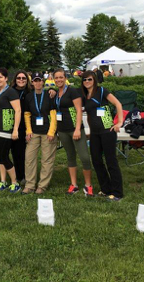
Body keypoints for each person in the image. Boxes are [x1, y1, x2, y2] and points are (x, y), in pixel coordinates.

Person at [81, 72, 124, 201]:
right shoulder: (85, 95)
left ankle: (117, 193)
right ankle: (105, 189)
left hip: (107, 130)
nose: (87, 81)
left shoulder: (101, 91)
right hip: (95, 133)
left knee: (111, 161)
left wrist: (119, 122)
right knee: (96, 161)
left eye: (89, 79)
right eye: (84, 79)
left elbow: (118, 104)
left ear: (94, 80)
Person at [53, 68, 93, 196]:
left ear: (65, 78)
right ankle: (74, 185)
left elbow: (79, 110)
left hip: (75, 130)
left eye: (61, 77)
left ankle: (88, 185)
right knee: (70, 156)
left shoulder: (72, 91)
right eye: (56, 78)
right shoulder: (55, 93)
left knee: (84, 157)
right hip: (62, 130)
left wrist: (77, 129)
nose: (59, 80)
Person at [22, 72, 58, 194]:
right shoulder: (29, 97)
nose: (37, 83)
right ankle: (30, 185)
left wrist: (51, 132)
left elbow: (53, 115)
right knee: (29, 158)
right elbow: (27, 115)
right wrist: (28, 131)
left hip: (47, 132)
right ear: (32, 82)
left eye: (39, 80)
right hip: (34, 132)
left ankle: (42, 186)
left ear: (43, 81)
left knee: (47, 160)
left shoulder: (49, 95)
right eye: (35, 81)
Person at [0, 68, 22, 193]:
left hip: (6, 129)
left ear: (6, 78)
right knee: (1, 156)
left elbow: (18, 111)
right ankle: (3, 181)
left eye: (0, 77)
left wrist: (15, 130)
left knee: (4, 157)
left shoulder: (11, 92)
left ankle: (15, 183)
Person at [10, 70, 31, 189]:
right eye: (19, 78)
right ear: (15, 79)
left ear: (27, 80)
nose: (21, 80)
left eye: (24, 78)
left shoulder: (30, 91)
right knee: (15, 151)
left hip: (27, 124)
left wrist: (52, 90)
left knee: (25, 153)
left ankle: (25, 175)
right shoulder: (10, 91)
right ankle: (18, 175)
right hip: (14, 124)